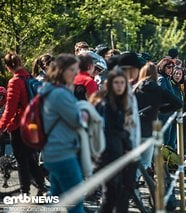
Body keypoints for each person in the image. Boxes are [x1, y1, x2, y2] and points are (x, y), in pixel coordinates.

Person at [40, 54, 87, 213]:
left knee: (56, 198)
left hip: (53, 152)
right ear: (62, 71)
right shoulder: (60, 94)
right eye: (72, 70)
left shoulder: (50, 90)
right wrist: (85, 115)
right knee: (76, 201)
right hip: (63, 153)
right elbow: (78, 121)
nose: (76, 74)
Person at [0, 52, 45, 195]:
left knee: (22, 161)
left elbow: (10, 109)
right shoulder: (29, 77)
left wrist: (1, 126)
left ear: (8, 67)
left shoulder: (15, 82)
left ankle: (25, 192)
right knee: (30, 158)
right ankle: (41, 185)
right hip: (33, 123)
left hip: (19, 126)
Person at [93, 69, 134, 212]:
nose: (120, 86)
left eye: (122, 83)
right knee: (110, 196)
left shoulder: (120, 102)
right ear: (110, 84)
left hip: (118, 154)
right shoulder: (105, 104)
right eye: (116, 82)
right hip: (106, 155)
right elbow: (109, 132)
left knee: (119, 194)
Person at [134, 62, 182, 173]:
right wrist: (161, 109)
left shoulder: (134, 88)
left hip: (135, 127)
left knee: (136, 160)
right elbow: (178, 103)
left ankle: (136, 182)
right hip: (150, 127)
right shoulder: (158, 89)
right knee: (146, 161)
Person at [157, 57, 177, 149]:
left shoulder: (167, 79)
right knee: (164, 141)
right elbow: (163, 95)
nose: (171, 70)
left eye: (172, 67)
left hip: (169, 114)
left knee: (169, 141)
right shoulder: (162, 79)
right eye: (169, 67)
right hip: (163, 115)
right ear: (163, 67)